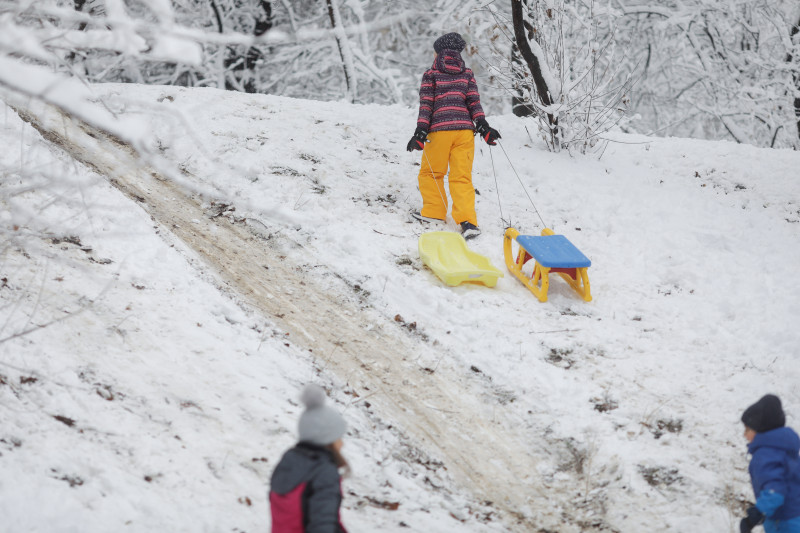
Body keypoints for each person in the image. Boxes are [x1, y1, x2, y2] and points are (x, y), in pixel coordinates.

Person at [406, 32, 501, 240]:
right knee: (462, 177)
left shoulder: (431, 74)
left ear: (439, 53)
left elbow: (426, 105)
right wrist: (483, 126)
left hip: (439, 131)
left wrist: (420, 132)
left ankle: (433, 212)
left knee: (432, 173)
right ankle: (468, 222)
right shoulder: (466, 74)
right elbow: (474, 102)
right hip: (465, 132)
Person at [269, 384, 349, 533]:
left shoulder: (290, 461)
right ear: (327, 440)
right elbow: (323, 522)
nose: (342, 443)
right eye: (338, 437)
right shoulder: (323, 472)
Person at [740, 394, 800, 533]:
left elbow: (775, 492)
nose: (745, 435)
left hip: (785, 522)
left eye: (748, 429)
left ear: (761, 431)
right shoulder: (784, 450)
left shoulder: (765, 454)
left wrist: (754, 516)